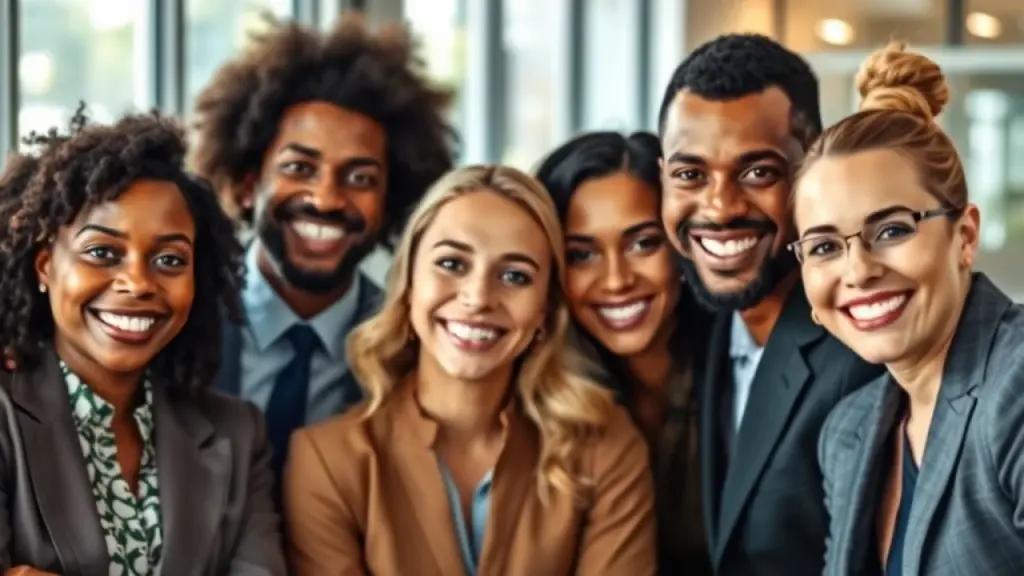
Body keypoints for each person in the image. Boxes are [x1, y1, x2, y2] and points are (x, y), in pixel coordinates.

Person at [284, 165, 656, 575]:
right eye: (452, 264)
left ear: (545, 312)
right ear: (409, 284)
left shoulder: (605, 449)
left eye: (515, 275)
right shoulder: (325, 462)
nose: (478, 297)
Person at [0, 109, 285, 575]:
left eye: (170, 259)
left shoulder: (237, 432)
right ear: (46, 265)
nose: (137, 282)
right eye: (102, 253)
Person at [189, 15, 456, 484]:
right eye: (300, 167)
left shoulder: (415, 347)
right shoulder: (181, 318)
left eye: (360, 178)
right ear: (250, 182)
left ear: (391, 201)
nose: (327, 199)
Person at [657, 34, 884, 575]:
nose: (720, 207)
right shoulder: (705, 322)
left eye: (758, 172)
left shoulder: (863, 352)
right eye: (690, 174)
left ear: (812, 166)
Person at [794, 42, 1024, 575]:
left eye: (892, 229)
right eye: (825, 246)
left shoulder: (1014, 390)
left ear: (964, 236)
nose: (857, 271)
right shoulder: (847, 432)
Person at [535, 131, 712, 574]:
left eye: (642, 243)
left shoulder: (741, 372)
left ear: (682, 246)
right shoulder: (538, 398)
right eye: (582, 255)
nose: (616, 280)